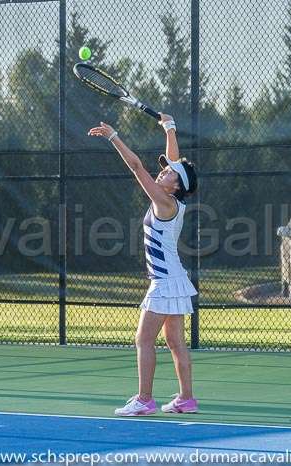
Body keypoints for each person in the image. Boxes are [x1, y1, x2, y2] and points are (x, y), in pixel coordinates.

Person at [88, 113, 199, 416]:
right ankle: (186, 399)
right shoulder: (175, 198)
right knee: (175, 341)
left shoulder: (164, 201)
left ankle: (144, 399)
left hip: (164, 282)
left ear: (175, 186)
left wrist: (114, 137)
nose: (162, 172)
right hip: (173, 278)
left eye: (167, 174)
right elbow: (175, 164)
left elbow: (136, 166)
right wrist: (171, 129)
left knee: (143, 339)